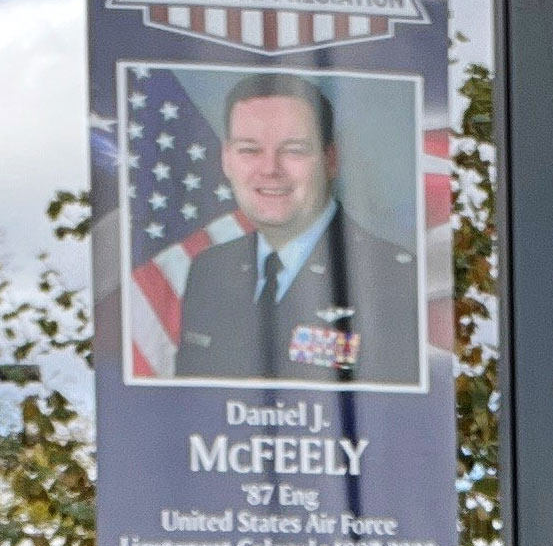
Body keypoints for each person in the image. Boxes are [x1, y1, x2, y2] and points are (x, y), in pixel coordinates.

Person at [175, 75, 423, 388]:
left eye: (293, 150)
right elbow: (188, 407)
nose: (270, 169)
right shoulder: (210, 270)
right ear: (227, 159)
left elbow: (398, 420)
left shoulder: (392, 278)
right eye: (249, 150)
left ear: (330, 160)